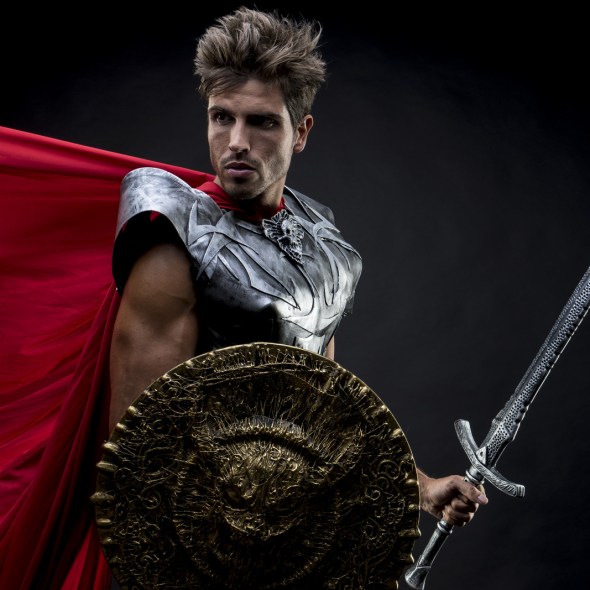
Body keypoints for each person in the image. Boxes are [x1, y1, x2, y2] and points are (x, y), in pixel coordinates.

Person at [109, 1, 487, 545]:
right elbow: (140, 454)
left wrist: (418, 487)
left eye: (262, 121)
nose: (236, 142)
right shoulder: (174, 240)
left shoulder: (321, 242)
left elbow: (321, 405)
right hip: (207, 540)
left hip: (298, 526)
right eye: (222, 117)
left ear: (301, 131)